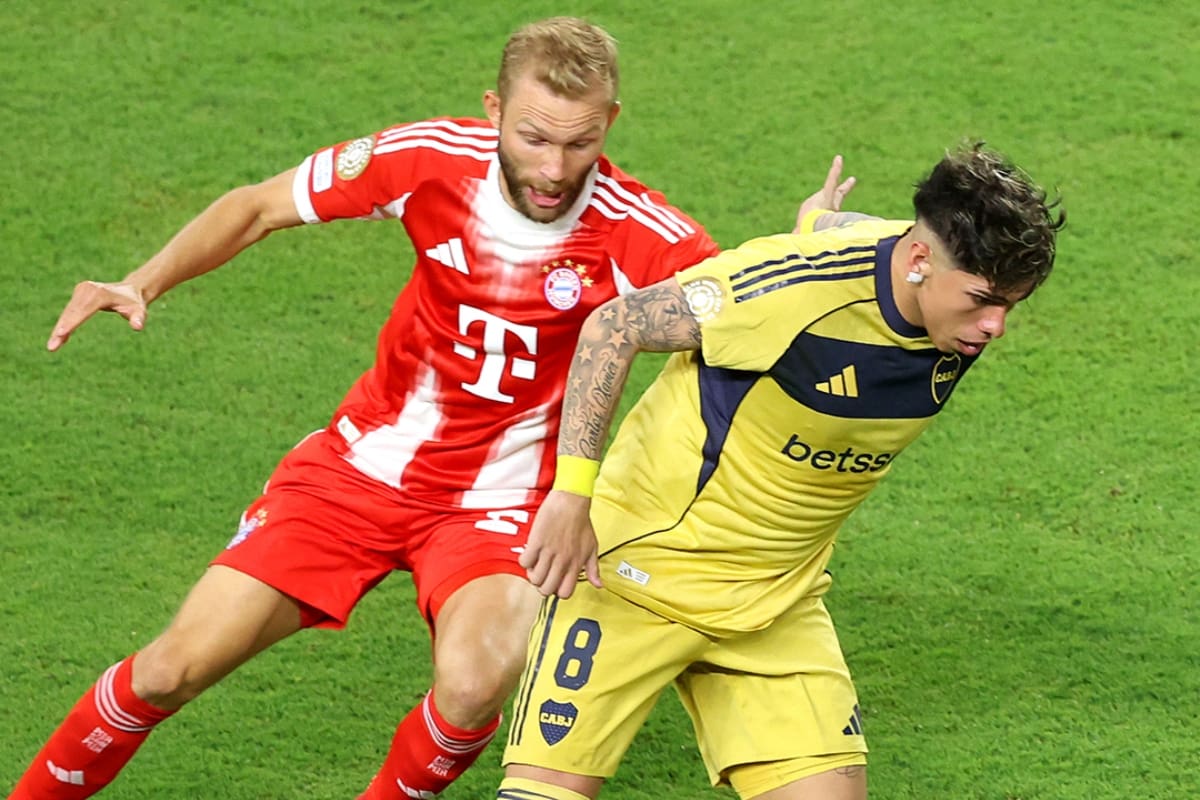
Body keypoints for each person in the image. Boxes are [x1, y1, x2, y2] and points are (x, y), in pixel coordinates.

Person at [10, 16, 850, 800]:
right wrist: (142, 280)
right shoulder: (429, 160)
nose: (555, 168)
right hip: (358, 471)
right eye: (532, 137)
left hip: (501, 507)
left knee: (474, 682)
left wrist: (811, 252)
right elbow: (260, 204)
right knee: (169, 670)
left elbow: (738, 307)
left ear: (611, 121)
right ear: (494, 110)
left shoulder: (640, 228)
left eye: (580, 142)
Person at [495, 143, 1065, 800]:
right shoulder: (790, 288)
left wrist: (820, 221)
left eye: (1011, 307)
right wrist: (571, 498)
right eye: (983, 300)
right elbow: (614, 326)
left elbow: (861, 236)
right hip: (636, 569)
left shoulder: (940, 296)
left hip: (775, 601)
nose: (994, 327)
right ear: (919, 263)